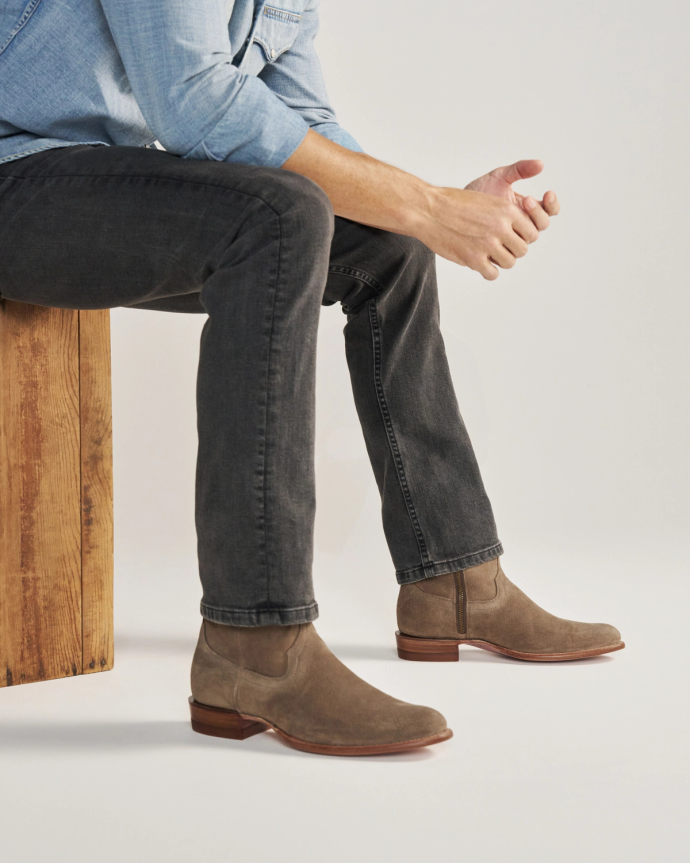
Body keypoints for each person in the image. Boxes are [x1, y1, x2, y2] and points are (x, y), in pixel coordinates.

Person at [0, 0, 623, 757]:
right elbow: (192, 97)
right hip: (15, 175)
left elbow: (305, 121)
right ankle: (253, 642)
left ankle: (456, 581)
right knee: (279, 215)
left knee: (385, 246)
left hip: (98, 179)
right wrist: (429, 208)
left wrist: (432, 213)